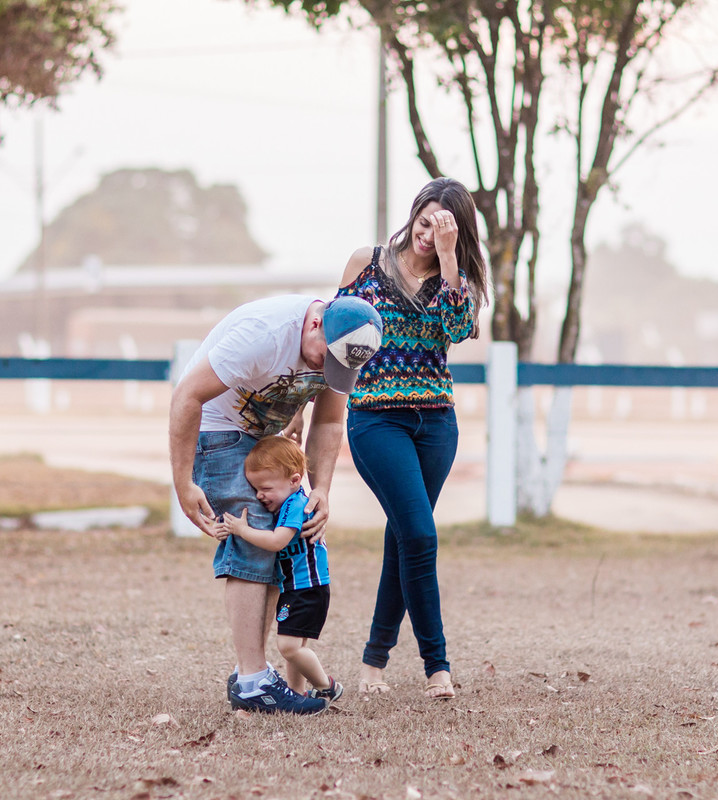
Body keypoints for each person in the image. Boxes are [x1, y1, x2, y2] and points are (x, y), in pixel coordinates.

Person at [169, 293, 382, 714]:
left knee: (276, 547)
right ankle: (252, 681)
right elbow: (187, 396)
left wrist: (321, 490)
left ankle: (252, 672)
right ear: (316, 323)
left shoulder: (343, 349)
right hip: (218, 429)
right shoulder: (263, 335)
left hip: (266, 439)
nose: (326, 370)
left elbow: (328, 419)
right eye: (326, 358)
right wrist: (182, 482)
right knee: (251, 540)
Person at [335, 177, 488, 700]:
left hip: (436, 422)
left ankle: (373, 664)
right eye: (425, 222)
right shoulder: (365, 262)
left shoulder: (457, 278)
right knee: (420, 537)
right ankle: (437, 668)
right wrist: (312, 411)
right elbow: (336, 341)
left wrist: (449, 259)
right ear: (413, 213)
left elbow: (457, 328)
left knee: (405, 536)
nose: (428, 234)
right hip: (376, 418)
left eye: (442, 228)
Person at [215, 435, 343, 706]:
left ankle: (326, 685)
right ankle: (298, 694)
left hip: (308, 588)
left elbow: (276, 541)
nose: (260, 495)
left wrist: (241, 529)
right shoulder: (284, 503)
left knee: (289, 646)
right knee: (295, 646)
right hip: (293, 588)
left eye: (265, 488)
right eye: (255, 488)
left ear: (295, 480)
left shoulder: (296, 505)